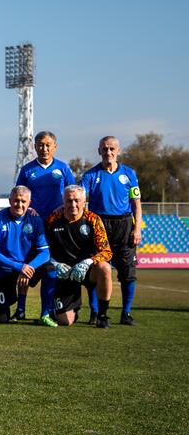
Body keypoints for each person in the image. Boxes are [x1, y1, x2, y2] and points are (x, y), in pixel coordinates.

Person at [13, 130, 75, 319]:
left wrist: (64, 208)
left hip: (57, 226)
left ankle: (49, 310)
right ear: (35, 147)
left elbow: (73, 193)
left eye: (48, 145)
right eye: (40, 145)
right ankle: (20, 310)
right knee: (26, 264)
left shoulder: (63, 168)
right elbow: (18, 193)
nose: (44, 148)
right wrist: (29, 207)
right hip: (33, 225)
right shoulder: (27, 169)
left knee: (53, 268)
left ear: (55, 147)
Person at [80, 136, 142, 326]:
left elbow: (136, 204)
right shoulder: (90, 175)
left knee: (128, 272)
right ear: (99, 151)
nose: (108, 152)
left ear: (118, 150)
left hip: (124, 226)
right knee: (97, 269)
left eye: (112, 148)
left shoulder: (129, 174)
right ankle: (95, 312)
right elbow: (80, 201)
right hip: (99, 225)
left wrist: (137, 228)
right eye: (105, 148)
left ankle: (126, 313)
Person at [45, 185, 114, 327]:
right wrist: (55, 263)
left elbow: (107, 252)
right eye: (69, 200)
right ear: (63, 202)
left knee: (105, 268)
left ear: (84, 201)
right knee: (65, 321)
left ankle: (102, 315)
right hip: (65, 272)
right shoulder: (52, 220)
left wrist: (88, 262)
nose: (73, 204)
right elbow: (43, 249)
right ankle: (72, 308)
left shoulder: (93, 219)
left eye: (77, 200)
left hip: (87, 270)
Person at [0, 186, 54, 326]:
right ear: (10, 200)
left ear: (29, 203)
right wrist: (19, 267)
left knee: (50, 270)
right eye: (16, 200)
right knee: (1, 318)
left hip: (26, 267)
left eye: (23, 201)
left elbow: (45, 253)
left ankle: (44, 314)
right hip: (2, 271)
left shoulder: (35, 220)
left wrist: (28, 267)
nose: (19, 204)